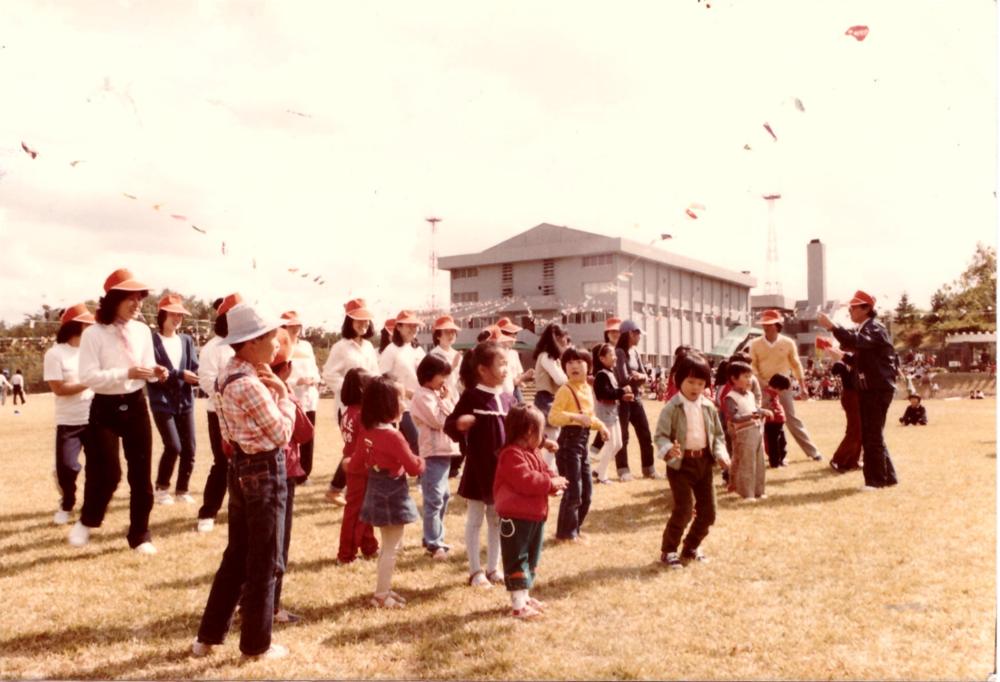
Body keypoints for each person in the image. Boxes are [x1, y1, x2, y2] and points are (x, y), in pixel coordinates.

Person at [192, 302, 292, 660]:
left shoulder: (226, 375)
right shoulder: (251, 384)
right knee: (265, 560)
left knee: (236, 555)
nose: (277, 344)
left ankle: (208, 637)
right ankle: (256, 645)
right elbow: (281, 433)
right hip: (265, 470)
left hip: (241, 470)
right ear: (250, 343)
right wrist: (284, 396)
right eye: (270, 338)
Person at [72, 268, 167, 553]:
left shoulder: (142, 331)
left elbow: (147, 369)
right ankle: (88, 520)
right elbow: (88, 376)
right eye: (132, 298)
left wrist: (156, 373)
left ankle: (140, 535)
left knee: (141, 476)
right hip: (105, 408)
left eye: (140, 298)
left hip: (137, 405)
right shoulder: (93, 333)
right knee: (109, 474)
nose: (138, 304)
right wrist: (125, 372)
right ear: (113, 300)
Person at [444, 341, 513, 588]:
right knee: (475, 519)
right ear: (483, 370)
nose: (506, 369)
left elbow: (520, 428)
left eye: (507, 363)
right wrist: (460, 424)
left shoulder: (508, 398)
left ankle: (494, 568)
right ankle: (475, 571)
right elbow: (450, 424)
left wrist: (544, 441)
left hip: (502, 470)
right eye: (501, 364)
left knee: (497, 519)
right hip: (478, 468)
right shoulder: (472, 396)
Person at [653, 355, 730, 568]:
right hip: (680, 466)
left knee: (709, 512)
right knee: (684, 510)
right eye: (690, 382)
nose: (695, 387)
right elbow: (660, 436)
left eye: (700, 383)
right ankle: (669, 551)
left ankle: (691, 546)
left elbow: (717, 436)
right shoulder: (672, 407)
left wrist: (721, 454)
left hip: (704, 464)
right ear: (679, 381)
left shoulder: (708, 407)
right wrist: (669, 449)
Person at [817, 290, 899, 490]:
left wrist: (832, 327)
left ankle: (875, 481)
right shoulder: (867, 329)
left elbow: (856, 343)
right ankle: (887, 477)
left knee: (871, 435)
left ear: (867, 309)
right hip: (873, 387)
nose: (850, 311)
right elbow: (863, 359)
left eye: (854, 307)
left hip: (876, 389)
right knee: (873, 433)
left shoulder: (874, 328)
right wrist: (843, 357)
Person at [358, 375, 426, 609]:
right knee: (391, 548)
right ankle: (381, 594)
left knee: (387, 547)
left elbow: (357, 461)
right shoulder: (393, 435)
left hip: (375, 488)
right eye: (400, 398)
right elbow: (414, 467)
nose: (404, 403)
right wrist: (422, 459)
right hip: (393, 492)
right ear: (388, 404)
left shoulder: (368, 431)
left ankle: (382, 589)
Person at [493, 405, 566, 619]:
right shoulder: (511, 455)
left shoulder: (532, 452)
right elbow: (527, 480)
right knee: (517, 557)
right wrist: (550, 483)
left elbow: (543, 471)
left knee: (531, 558)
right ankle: (517, 605)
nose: (543, 438)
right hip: (516, 517)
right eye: (540, 432)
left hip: (534, 515)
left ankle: (524, 597)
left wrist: (554, 484)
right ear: (528, 432)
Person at [267, 328, 313, 625]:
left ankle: (253, 601)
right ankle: (270, 606)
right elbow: (305, 432)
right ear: (286, 368)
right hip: (281, 474)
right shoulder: (282, 393)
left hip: (256, 474)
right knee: (277, 545)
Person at [548, 347, 610, 541]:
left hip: (582, 443)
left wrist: (601, 426)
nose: (574, 366)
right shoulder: (565, 390)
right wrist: (575, 417)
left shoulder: (586, 388)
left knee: (587, 492)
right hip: (568, 444)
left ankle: (575, 529)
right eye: (570, 363)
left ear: (589, 366)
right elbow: (553, 416)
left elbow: (589, 417)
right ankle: (566, 534)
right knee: (573, 491)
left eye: (579, 362)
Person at [321, 298, 379, 506]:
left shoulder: (370, 347)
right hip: (347, 406)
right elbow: (328, 373)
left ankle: (351, 487)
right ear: (349, 322)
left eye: (366, 321)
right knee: (354, 446)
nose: (363, 325)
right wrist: (349, 390)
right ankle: (336, 488)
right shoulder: (340, 347)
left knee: (366, 444)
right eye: (358, 321)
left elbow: (375, 373)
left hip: (368, 405)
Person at [43, 303, 96, 525]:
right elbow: (59, 389)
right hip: (69, 421)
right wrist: (88, 382)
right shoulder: (55, 354)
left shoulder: (93, 352)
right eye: (88, 325)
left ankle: (91, 509)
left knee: (99, 468)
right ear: (77, 326)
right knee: (67, 467)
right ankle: (67, 502)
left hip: (95, 418)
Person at [195, 293, 243, 533]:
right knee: (222, 463)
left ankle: (240, 510)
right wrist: (230, 396)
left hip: (245, 413)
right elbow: (206, 381)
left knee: (244, 462)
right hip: (220, 413)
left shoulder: (246, 343)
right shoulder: (212, 348)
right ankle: (208, 512)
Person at [748, 310, 823, 462]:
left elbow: (796, 365)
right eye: (764, 324)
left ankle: (813, 452)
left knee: (791, 419)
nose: (765, 327)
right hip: (762, 387)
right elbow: (752, 366)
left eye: (769, 324)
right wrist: (764, 384)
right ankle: (758, 455)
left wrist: (803, 386)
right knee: (759, 419)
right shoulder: (755, 344)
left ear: (777, 325)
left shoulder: (788, 343)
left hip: (783, 387)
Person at [149, 294, 200, 506]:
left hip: (185, 400)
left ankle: (182, 490)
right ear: (162, 314)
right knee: (173, 446)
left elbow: (194, 367)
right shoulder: (151, 340)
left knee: (190, 448)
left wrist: (196, 377)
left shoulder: (186, 340)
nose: (177, 318)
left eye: (180, 314)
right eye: (173, 313)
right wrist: (179, 374)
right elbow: (153, 371)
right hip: (162, 401)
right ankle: (161, 488)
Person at [410, 354, 460, 559]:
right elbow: (440, 421)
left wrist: (445, 399)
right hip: (433, 453)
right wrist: (445, 400)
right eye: (442, 376)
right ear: (429, 375)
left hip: (445, 451)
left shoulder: (436, 394)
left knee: (443, 495)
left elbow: (454, 413)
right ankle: (434, 542)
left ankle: (431, 536)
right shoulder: (422, 396)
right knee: (434, 498)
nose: (444, 381)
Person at [336, 368, 380, 564]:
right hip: (360, 466)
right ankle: (346, 554)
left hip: (352, 463)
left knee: (365, 508)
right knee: (355, 512)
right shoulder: (362, 414)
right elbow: (369, 442)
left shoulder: (347, 411)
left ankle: (369, 546)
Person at [614, 320, 658, 481]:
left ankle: (649, 468)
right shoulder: (619, 352)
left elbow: (645, 375)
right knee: (623, 436)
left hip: (637, 398)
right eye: (638, 334)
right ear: (631, 334)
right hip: (624, 400)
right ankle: (623, 469)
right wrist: (639, 376)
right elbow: (623, 378)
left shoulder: (635, 352)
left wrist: (639, 376)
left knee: (645, 434)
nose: (640, 337)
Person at [280, 311, 321, 484]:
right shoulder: (280, 346)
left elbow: (315, 369)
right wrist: (297, 381)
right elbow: (278, 373)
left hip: (309, 398)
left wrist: (314, 379)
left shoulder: (306, 346)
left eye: (297, 325)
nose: (295, 328)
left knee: (308, 436)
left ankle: (305, 472)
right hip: (290, 398)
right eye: (291, 325)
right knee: (291, 438)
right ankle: (292, 471)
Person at [378, 310, 426, 455]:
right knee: (416, 440)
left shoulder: (418, 350)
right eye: (409, 325)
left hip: (420, 404)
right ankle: (421, 473)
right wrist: (404, 391)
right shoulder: (391, 350)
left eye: (415, 326)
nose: (413, 329)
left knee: (423, 441)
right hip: (401, 406)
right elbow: (382, 380)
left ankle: (421, 473)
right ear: (398, 327)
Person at [724, 362, 769, 501]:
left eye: (750, 376)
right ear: (734, 378)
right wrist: (753, 415)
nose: (749, 380)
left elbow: (755, 409)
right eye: (745, 376)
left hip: (756, 430)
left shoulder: (750, 394)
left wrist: (764, 412)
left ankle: (759, 491)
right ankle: (746, 493)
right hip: (744, 432)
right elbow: (735, 417)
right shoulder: (731, 397)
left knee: (759, 461)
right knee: (746, 463)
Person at [591, 342, 633, 484]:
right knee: (611, 444)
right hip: (605, 415)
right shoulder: (601, 375)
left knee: (619, 444)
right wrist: (622, 391)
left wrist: (622, 395)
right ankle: (602, 476)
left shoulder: (609, 373)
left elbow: (612, 393)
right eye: (611, 355)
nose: (615, 357)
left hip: (612, 414)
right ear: (602, 359)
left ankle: (598, 470)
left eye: (615, 354)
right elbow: (605, 394)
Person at [532, 323, 571, 446]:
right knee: (551, 440)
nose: (567, 340)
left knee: (553, 440)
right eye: (565, 337)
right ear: (558, 338)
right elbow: (560, 380)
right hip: (547, 400)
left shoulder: (549, 357)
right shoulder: (547, 357)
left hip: (549, 399)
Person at [589, 317, 623, 458]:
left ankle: (593, 458)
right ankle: (593, 458)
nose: (616, 334)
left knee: (616, 441)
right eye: (612, 331)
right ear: (607, 333)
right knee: (611, 438)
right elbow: (600, 383)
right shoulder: (601, 349)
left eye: (618, 331)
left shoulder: (622, 350)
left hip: (615, 400)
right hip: (607, 400)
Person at [827, 348, 862, 473]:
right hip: (852, 395)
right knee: (856, 429)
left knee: (858, 429)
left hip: (857, 395)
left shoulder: (854, 360)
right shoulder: (842, 363)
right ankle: (839, 459)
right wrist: (839, 358)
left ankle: (852, 460)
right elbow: (835, 370)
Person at [497, 317, 533, 403]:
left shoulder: (514, 354)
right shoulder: (494, 354)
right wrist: (525, 376)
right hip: (498, 394)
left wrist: (524, 378)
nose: (513, 337)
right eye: (509, 333)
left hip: (512, 392)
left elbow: (516, 379)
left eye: (515, 334)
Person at [428, 314, 463, 398]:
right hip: (439, 398)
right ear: (438, 336)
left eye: (453, 332)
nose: (451, 335)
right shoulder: (433, 355)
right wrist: (452, 367)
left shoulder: (457, 354)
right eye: (447, 332)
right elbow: (433, 381)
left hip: (456, 398)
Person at [763, 374, 789, 468]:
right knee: (774, 444)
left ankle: (781, 459)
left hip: (778, 422)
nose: (782, 392)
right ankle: (775, 463)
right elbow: (762, 406)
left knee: (782, 442)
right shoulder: (767, 394)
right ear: (777, 387)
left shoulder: (774, 394)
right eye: (782, 389)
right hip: (771, 422)